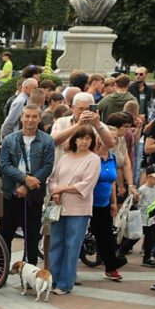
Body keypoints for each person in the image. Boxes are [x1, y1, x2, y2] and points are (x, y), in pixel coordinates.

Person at [44, 124, 101, 295]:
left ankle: (65, 283)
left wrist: (61, 189)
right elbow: (53, 178)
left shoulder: (93, 159)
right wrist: (55, 191)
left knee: (72, 246)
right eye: (81, 138)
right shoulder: (65, 157)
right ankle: (52, 279)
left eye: (88, 138)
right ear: (74, 139)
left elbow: (87, 184)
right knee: (55, 244)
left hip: (79, 209)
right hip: (60, 207)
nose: (84, 142)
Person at [0, 106, 55, 268]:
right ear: (21, 118)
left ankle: (30, 269)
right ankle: (0, 270)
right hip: (11, 193)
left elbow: (47, 166)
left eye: (34, 117)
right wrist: (25, 179)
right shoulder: (10, 140)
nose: (30, 120)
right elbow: (5, 165)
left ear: (39, 119)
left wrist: (28, 185)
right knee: (5, 234)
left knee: (31, 235)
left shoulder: (47, 141)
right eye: (27, 116)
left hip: (34, 195)